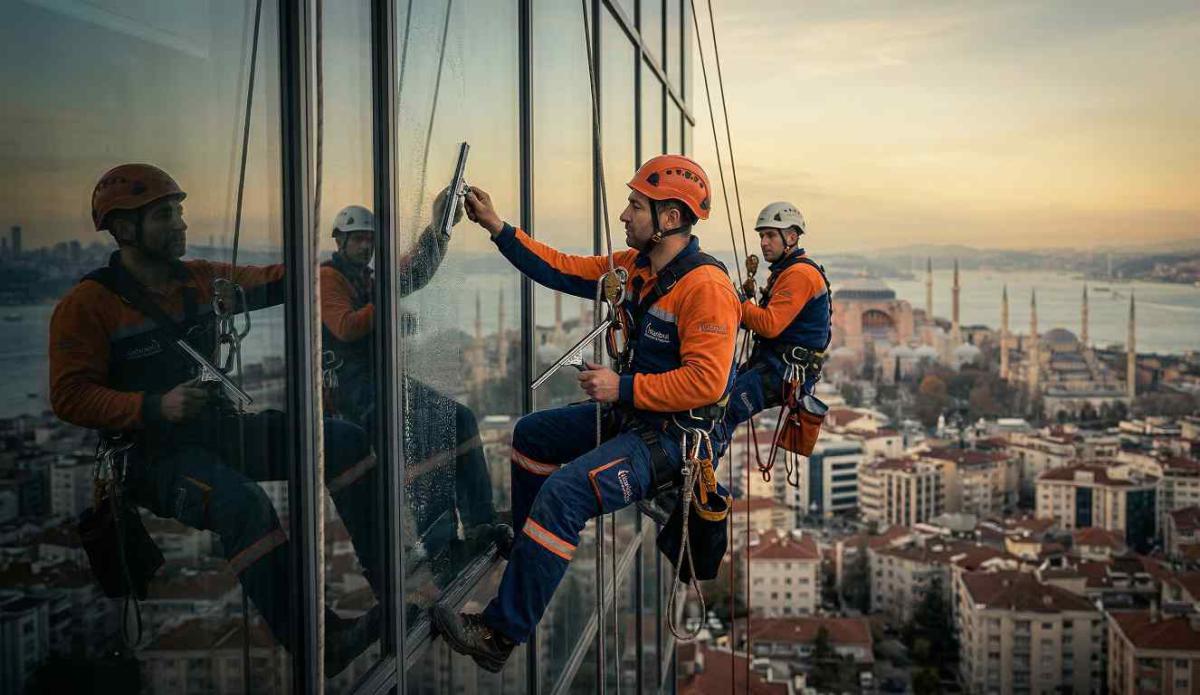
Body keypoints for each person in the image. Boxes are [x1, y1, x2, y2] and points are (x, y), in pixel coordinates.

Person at [49, 163, 377, 674]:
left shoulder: (199, 281)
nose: (180, 225)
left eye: (179, 213)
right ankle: (321, 641)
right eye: (164, 215)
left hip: (213, 429)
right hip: (151, 457)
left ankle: (387, 584)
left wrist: (347, 265)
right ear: (125, 229)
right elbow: (69, 396)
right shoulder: (89, 306)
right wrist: (154, 406)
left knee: (342, 442)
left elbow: (274, 282)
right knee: (241, 504)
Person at [430, 155, 741, 672]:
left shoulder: (705, 289)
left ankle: (498, 635)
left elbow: (707, 383)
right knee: (532, 435)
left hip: (669, 443)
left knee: (566, 493)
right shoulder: (638, 270)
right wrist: (498, 228)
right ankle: (530, 543)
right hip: (637, 417)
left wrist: (621, 386)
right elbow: (563, 268)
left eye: (635, 206)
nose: (624, 214)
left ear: (669, 218)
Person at [319, 200, 510, 584]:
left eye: (369, 240)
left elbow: (412, 272)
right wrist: (388, 311)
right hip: (353, 390)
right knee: (422, 435)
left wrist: (438, 229)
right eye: (357, 239)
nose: (365, 247)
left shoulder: (366, 280)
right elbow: (344, 327)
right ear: (340, 241)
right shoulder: (328, 279)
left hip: (378, 380)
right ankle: (441, 547)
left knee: (459, 418)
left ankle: (479, 521)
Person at [716, 201, 831, 450]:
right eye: (762, 236)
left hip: (783, 371)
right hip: (776, 365)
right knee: (718, 393)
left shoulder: (799, 275)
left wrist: (740, 304)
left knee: (723, 411)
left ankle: (703, 476)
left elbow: (769, 325)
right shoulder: (787, 272)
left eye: (770, 235)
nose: (763, 242)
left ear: (791, 237)